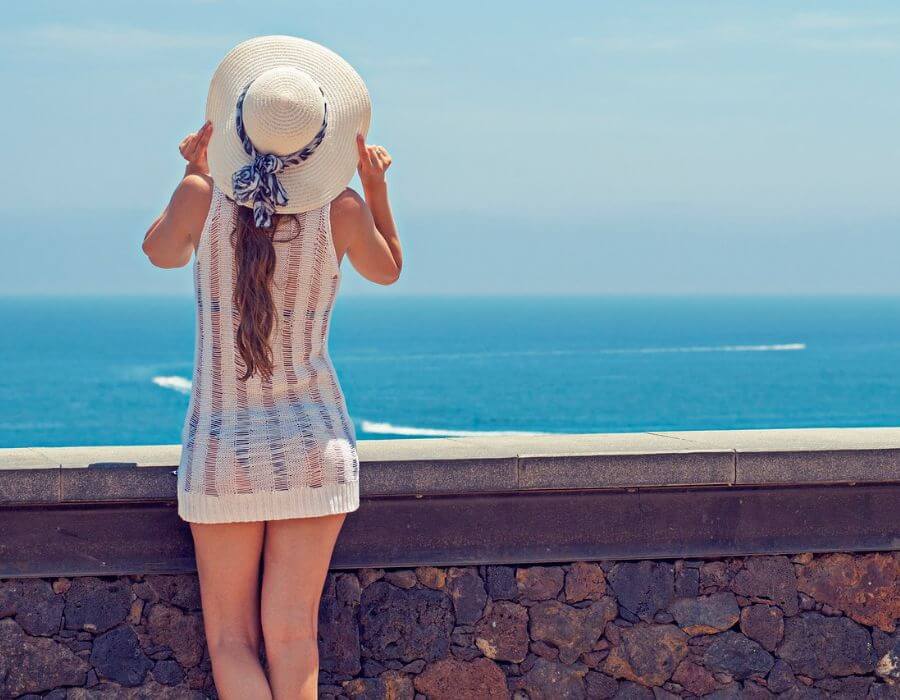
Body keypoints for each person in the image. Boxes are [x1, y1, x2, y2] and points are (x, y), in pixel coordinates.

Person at [141, 36, 402, 699]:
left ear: (234, 128)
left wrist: (193, 175)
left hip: (224, 450)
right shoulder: (340, 211)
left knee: (232, 640)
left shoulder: (204, 198)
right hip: (317, 445)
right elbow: (388, 269)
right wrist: (374, 189)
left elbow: (159, 252)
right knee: (294, 637)